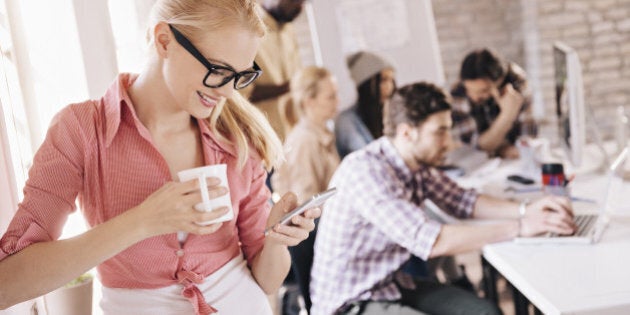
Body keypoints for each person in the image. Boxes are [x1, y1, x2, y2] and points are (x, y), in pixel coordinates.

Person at [0, 1, 320, 314]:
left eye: (239, 76)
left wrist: (277, 241)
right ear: (164, 40)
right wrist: (142, 221)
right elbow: (7, 284)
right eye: (218, 70)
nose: (226, 91)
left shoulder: (237, 137)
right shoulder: (82, 131)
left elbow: (266, 281)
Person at [310, 82, 576, 315]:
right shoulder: (366, 173)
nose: (448, 142)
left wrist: (526, 209)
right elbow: (433, 240)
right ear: (407, 133)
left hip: (390, 285)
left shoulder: (414, 164)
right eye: (440, 131)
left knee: (485, 312)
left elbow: (464, 201)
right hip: (351, 304)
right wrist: (522, 227)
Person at [450, 48, 537, 159]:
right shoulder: (458, 94)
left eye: (483, 91)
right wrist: (507, 115)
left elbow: (526, 141)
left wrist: (495, 144)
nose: (474, 96)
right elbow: (475, 148)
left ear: (500, 83)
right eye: (470, 90)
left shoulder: (517, 82)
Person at [272, 66, 340, 203]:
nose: (338, 101)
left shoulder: (322, 133)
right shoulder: (305, 141)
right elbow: (306, 202)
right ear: (309, 101)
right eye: (331, 97)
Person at [241, 0, 306, 141]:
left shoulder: (289, 31)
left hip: (291, 136)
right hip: (260, 137)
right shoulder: (246, 26)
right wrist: (288, 87)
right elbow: (240, 93)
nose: (300, 7)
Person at [335, 51, 396, 159]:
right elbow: (370, 157)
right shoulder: (347, 121)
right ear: (367, 85)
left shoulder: (391, 112)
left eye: (391, 80)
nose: (390, 86)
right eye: (383, 80)